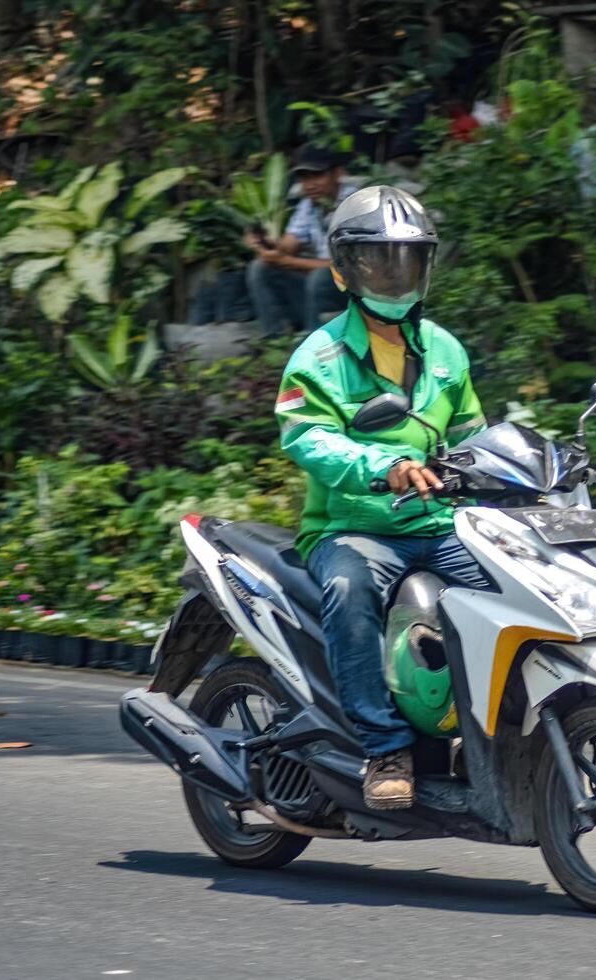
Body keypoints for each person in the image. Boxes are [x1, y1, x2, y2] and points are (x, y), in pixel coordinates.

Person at [274, 185, 488, 810]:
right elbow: (307, 438)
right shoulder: (318, 358)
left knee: (516, 587)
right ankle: (384, 747)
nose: (395, 275)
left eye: (408, 260)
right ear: (343, 270)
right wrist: (382, 465)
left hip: (442, 522)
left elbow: (473, 431)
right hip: (354, 527)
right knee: (349, 590)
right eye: (378, 260)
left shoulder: (445, 350)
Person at [246, 144, 357, 336]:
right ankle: (274, 339)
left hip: (354, 290)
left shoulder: (354, 204)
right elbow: (288, 246)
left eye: (317, 176)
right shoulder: (308, 205)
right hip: (320, 287)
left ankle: (313, 342)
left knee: (320, 277)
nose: (310, 185)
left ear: (338, 174)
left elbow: (342, 267)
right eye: (305, 178)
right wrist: (266, 244)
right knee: (261, 268)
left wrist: (288, 261)